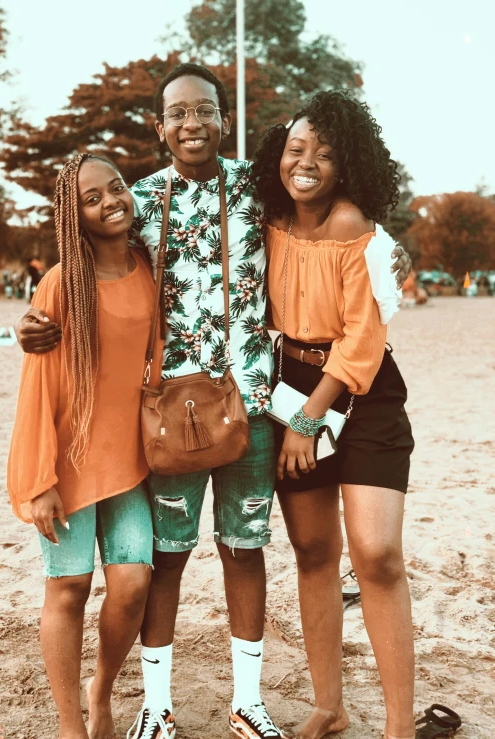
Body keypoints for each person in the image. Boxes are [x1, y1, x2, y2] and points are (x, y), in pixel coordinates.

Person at [14, 64, 412, 739]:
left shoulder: (261, 192)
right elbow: (84, 254)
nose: (192, 123)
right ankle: (158, 703)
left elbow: (331, 224)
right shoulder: (137, 200)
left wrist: (391, 250)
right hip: (167, 414)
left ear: (225, 118)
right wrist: (35, 316)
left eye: (205, 110)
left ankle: (249, 700)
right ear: (160, 125)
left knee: (243, 549)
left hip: (257, 406)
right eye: (178, 113)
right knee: (167, 556)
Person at [252, 91, 416, 739]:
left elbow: (362, 340)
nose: (307, 161)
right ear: (279, 155)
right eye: (297, 148)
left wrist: (307, 421)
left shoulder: (352, 226)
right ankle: (331, 705)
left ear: (347, 166)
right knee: (314, 551)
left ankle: (399, 725)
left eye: (324, 153)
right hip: (290, 381)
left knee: (376, 553)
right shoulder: (264, 222)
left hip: (361, 393)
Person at [8, 153, 161, 739]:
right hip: (67, 461)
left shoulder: (152, 267)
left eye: (115, 188)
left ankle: (102, 687)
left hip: (131, 460)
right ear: (75, 216)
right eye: (91, 198)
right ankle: (73, 726)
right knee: (68, 587)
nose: (110, 202)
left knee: (131, 584)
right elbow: (38, 388)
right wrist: (38, 480)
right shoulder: (59, 284)